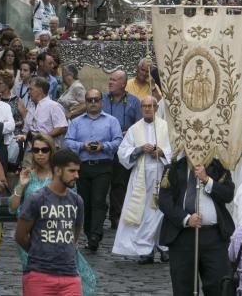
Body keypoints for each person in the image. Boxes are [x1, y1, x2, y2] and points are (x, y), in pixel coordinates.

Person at [158, 155, 235, 296]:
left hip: (214, 237)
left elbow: (228, 194)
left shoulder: (218, 167)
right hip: (182, 237)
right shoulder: (174, 168)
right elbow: (164, 201)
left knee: (218, 285)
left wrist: (207, 180)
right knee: (184, 287)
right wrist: (186, 219)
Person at [15, 148, 84, 296]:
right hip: (39, 275)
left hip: (70, 275)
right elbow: (20, 236)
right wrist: (39, 251)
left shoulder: (77, 201)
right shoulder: (36, 199)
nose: (76, 175)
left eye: (77, 171)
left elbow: (75, 232)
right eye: (71, 171)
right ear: (58, 171)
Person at [112, 96, 171, 263]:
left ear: (156, 108)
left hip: (162, 175)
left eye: (150, 106)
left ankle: (163, 246)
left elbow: (177, 149)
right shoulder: (134, 129)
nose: (147, 109)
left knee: (161, 212)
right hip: (141, 176)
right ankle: (145, 250)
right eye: (144, 106)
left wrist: (162, 152)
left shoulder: (166, 127)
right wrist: (139, 150)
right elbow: (122, 151)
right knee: (144, 213)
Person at [64, 89, 122, 252]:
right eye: (90, 100)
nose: (93, 103)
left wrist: (104, 146)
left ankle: (96, 234)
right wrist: (83, 145)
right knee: (85, 202)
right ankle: (90, 234)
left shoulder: (111, 121)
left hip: (103, 164)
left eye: (96, 99)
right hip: (82, 166)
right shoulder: (76, 122)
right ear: (86, 102)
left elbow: (118, 140)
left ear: (101, 101)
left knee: (98, 200)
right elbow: (68, 141)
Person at [102, 69, 142, 229]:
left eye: (114, 80)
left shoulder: (133, 102)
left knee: (119, 185)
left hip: (123, 150)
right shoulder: (102, 99)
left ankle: (116, 216)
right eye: (110, 79)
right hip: (103, 149)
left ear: (124, 84)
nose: (110, 82)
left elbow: (139, 125)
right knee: (102, 184)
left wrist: (128, 132)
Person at [9, 133, 55, 264]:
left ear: (51, 151)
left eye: (44, 150)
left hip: (53, 232)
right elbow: (12, 208)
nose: (40, 153)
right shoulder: (28, 175)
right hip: (29, 232)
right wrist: (21, 186)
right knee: (32, 274)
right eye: (36, 150)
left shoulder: (59, 176)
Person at [20, 77, 67, 149]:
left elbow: (62, 127)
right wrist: (24, 139)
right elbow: (26, 130)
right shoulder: (31, 108)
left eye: (31, 89)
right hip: (30, 150)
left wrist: (43, 138)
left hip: (49, 150)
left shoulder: (53, 106)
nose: (29, 92)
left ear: (40, 90)